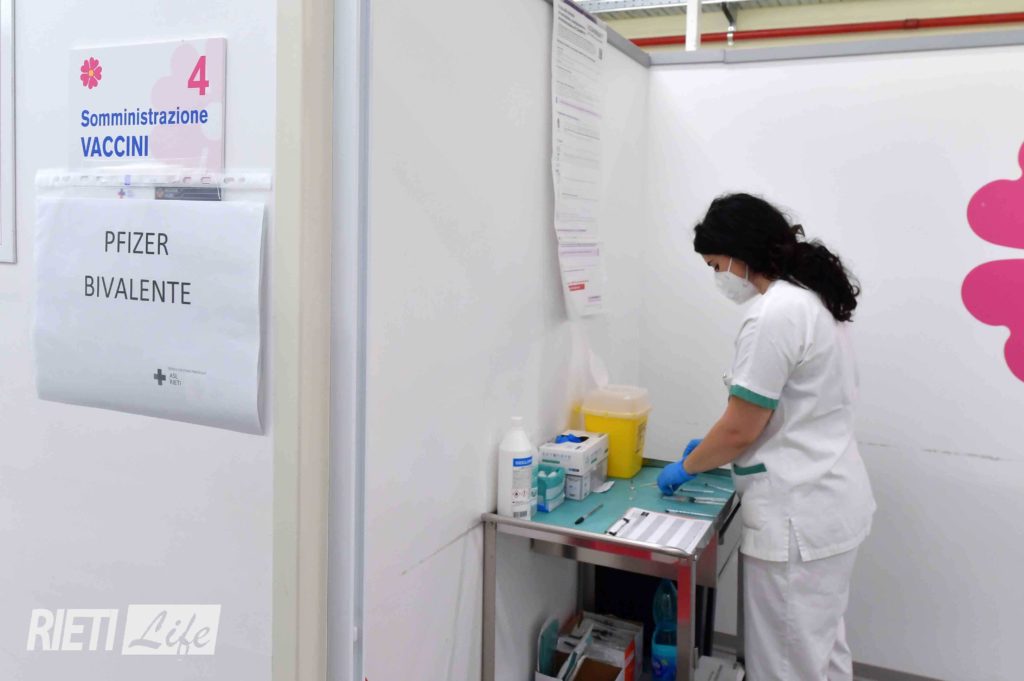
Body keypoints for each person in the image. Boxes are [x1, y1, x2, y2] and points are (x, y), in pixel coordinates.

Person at [657, 193, 876, 681]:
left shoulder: (774, 314)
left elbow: (741, 428)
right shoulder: (810, 300)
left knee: (785, 667)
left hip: (798, 517)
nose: (718, 277)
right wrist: (713, 448)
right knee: (821, 653)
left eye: (716, 265)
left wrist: (686, 467)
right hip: (828, 503)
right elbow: (768, 411)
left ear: (740, 254)